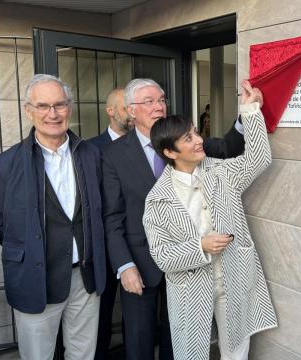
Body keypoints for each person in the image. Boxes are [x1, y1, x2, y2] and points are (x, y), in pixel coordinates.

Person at [101, 78, 245, 360]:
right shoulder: (112, 154)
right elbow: (112, 216)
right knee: (140, 340)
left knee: (178, 338)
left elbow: (226, 148)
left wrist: (246, 117)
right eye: (149, 102)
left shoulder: (186, 142)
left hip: (189, 263)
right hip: (140, 263)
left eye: (162, 100)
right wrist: (124, 265)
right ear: (131, 110)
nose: (158, 107)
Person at [143, 80, 277, 360]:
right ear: (170, 152)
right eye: (188, 138)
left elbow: (259, 160)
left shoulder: (220, 172)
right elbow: (162, 256)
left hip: (233, 276)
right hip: (190, 290)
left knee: (237, 350)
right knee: (191, 352)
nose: (199, 140)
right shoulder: (157, 199)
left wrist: (251, 110)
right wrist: (200, 245)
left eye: (195, 133)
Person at [0, 74, 106, 360]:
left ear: (70, 108)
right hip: (36, 278)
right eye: (43, 106)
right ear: (29, 111)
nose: (52, 114)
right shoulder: (5, 165)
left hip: (84, 277)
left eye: (59, 105)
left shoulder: (91, 155)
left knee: (83, 354)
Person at [88, 88, 131, 360]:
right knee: (100, 314)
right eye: (126, 107)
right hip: (102, 247)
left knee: (136, 314)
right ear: (111, 110)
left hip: (136, 243)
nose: (132, 112)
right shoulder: (90, 149)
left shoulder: (147, 144)